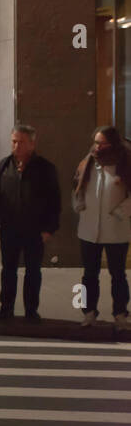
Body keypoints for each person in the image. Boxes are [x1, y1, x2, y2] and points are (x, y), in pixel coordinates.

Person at [0, 125, 61, 321]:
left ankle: (31, 310)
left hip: (35, 230)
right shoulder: (2, 167)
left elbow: (54, 201)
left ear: (32, 144)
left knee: (33, 271)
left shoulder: (45, 168)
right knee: (8, 270)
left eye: (21, 142)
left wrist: (49, 228)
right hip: (9, 228)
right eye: (14, 141)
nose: (17, 146)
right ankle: (6, 308)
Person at [72, 126, 131, 329]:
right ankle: (87, 313)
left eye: (101, 143)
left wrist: (120, 212)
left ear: (112, 144)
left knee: (118, 275)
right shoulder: (88, 162)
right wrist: (79, 205)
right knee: (89, 274)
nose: (97, 147)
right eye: (95, 142)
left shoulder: (125, 163)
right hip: (89, 230)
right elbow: (77, 187)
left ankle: (121, 314)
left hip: (116, 230)